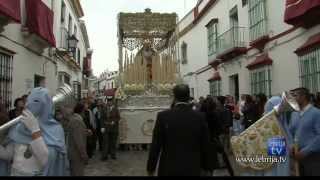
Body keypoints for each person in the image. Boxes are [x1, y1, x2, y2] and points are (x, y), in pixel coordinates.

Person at [0, 87, 69, 176]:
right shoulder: (19, 127)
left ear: (47, 105)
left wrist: (35, 130)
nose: (28, 104)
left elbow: (46, 161)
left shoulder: (55, 129)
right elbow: (9, 155)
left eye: (36, 101)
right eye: (28, 101)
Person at [147, 84, 212, 176]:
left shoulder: (163, 116)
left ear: (174, 97)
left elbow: (156, 145)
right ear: (188, 96)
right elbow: (205, 144)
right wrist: (207, 167)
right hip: (192, 166)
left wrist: (151, 168)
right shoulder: (199, 117)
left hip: (169, 167)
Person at [289, 88, 320, 176]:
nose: (293, 98)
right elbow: (290, 133)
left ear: (303, 97)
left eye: (295, 95)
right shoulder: (294, 114)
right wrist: (291, 146)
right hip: (296, 157)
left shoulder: (316, 113)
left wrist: (305, 151)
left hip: (312, 157)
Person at [67, 103, 89, 176]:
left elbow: (76, 134)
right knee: (78, 173)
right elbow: (79, 141)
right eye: (85, 111)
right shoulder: (77, 121)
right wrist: (84, 155)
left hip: (73, 153)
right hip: (76, 154)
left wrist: (85, 132)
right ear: (82, 111)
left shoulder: (73, 119)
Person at [101, 96, 120, 160]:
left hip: (114, 128)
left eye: (110, 101)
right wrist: (102, 127)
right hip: (106, 127)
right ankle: (104, 156)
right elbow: (102, 118)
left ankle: (113, 155)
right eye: (108, 101)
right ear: (107, 102)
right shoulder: (104, 108)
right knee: (105, 142)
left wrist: (114, 121)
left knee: (113, 142)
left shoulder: (116, 109)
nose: (109, 103)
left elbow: (118, 117)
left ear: (112, 102)